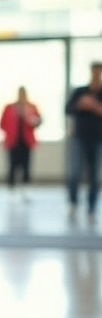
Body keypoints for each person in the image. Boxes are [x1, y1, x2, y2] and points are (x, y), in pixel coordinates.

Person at [65, 62, 102, 223]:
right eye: (93, 71)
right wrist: (80, 105)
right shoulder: (80, 92)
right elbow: (67, 109)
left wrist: (95, 107)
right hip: (79, 138)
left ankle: (91, 208)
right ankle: (73, 203)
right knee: (74, 173)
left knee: (95, 175)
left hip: (98, 139)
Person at [0, 86, 42, 200]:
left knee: (26, 166)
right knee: (12, 165)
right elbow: (2, 123)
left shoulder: (31, 107)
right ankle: (12, 190)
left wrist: (32, 120)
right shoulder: (9, 107)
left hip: (26, 142)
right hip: (13, 141)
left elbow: (39, 121)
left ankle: (26, 189)